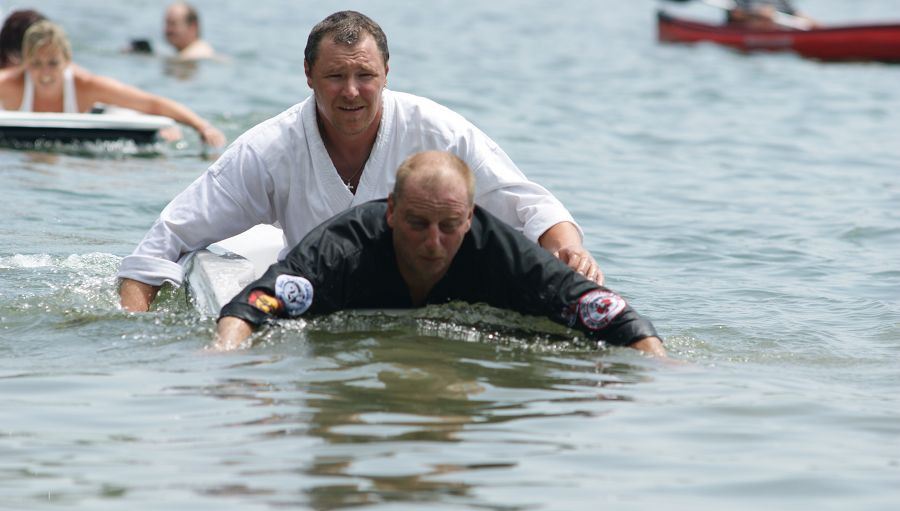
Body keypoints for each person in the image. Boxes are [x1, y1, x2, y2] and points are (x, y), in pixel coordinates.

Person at [118, 10, 604, 313]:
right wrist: (133, 337)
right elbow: (166, 239)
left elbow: (527, 204)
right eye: (335, 75)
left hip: (429, 298)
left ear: (387, 73)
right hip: (322, 300)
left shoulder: (437, 130)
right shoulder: (269, 150)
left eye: (365, 75)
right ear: (308, 75)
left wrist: (570, 253)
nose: (351, 91)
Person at [215, 151, 666, 357]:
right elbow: (258, 302)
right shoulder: (344, 247)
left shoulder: (497, 250)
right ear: (391, 211)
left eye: (449, 227)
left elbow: (605, 312)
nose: (433, 242)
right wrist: (224, 353)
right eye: (417, 224)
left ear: (469, 218)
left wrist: (660, 368)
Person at [0, 20, 225, 146]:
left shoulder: (85, 85)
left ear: (67, 62)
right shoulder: (9, 84)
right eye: (36, 64)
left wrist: (201, 126)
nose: (44, 73)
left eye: (53, 63)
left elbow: (152, 103)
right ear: (26, 63)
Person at [727, 0, 817, 30]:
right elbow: (736, 14)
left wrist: (813, 23)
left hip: (782, 30)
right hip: (750, 32)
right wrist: (758, 14)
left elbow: (795, 13)